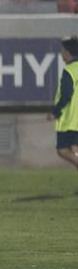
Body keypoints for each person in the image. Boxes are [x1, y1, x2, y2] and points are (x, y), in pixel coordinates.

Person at [54, 36, 78, 170]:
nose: (61, 53)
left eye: (62, 50)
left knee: (63, 150)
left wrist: (55, 112)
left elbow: (66, 95)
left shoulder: (69, 71)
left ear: (68, 53)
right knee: (74, 149)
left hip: (71, 119)